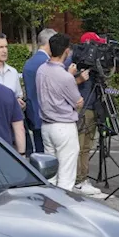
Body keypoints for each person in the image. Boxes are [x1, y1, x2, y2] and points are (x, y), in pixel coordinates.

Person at [36, 33, 84, 188]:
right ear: (66, 51)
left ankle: (49, 206)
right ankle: (63, 207)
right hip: (63, 126)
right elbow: (78, 102)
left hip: (46, 125)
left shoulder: (41, 70)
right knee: (66, 173)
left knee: (51, 173)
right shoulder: (66, 77)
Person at [73, 32, 102, 195]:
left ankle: (83, 177)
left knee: (86, 147)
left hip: (93, 108)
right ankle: (78, 179)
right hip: (82, 109)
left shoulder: (94, 68)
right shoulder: (76, 65)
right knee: (79, 146)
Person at [22, 28, 56, 155]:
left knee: (40, 155)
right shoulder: (48, 63)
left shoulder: (29, 63)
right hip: (49, 116)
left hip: (34, 114)